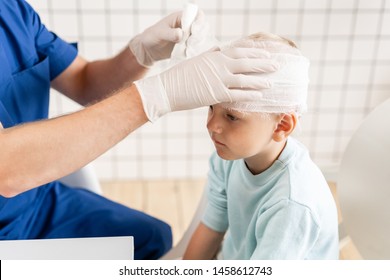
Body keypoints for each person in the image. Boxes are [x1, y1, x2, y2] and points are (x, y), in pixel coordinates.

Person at [0, 0, 277, 259]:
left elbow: (85, 83)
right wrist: (159, 94)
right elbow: (7, 168)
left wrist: (142, 53)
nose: (212, 126)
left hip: (39, 200)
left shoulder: (13, 10)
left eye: (231, 116)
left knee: (152, 238)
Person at [183, 32, 339, 260]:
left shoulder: (293, 204)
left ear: (281, 126)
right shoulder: (227, 155)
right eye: (211, 107)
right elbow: (212, 226)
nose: (212, 125)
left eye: (232, 117)